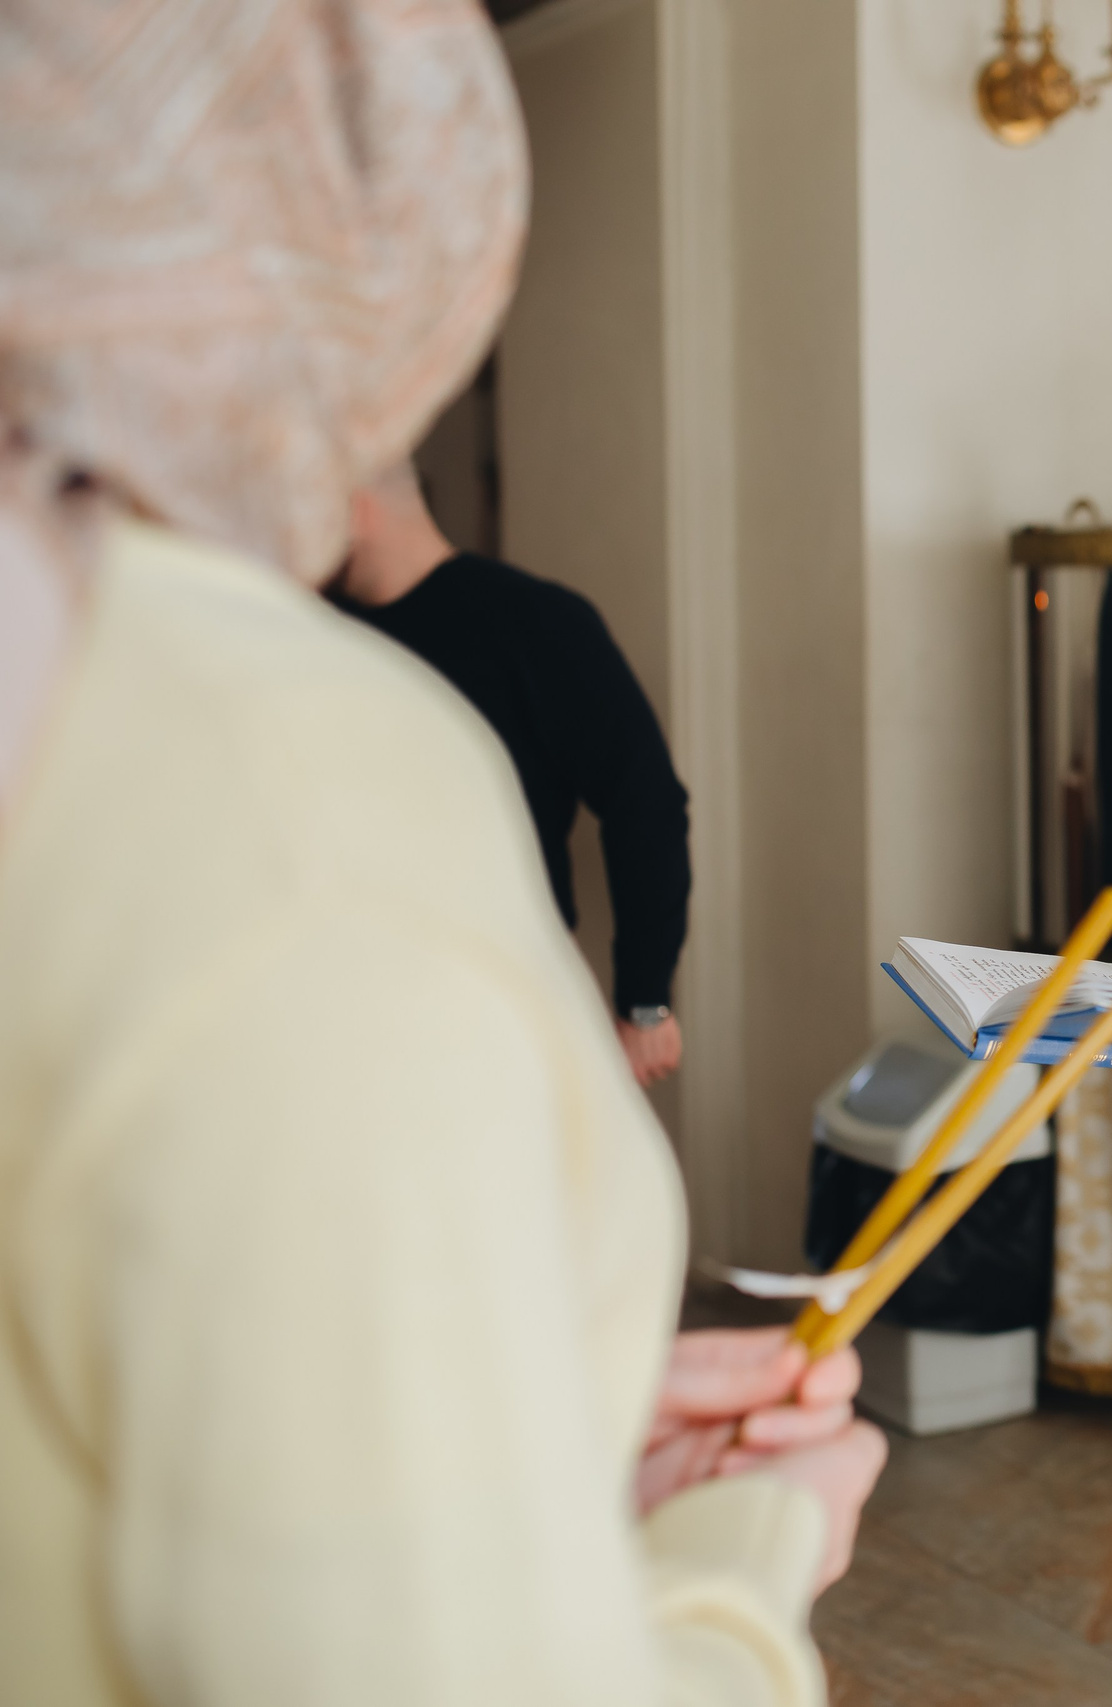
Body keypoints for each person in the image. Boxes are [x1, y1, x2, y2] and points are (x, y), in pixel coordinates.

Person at [0, 4, 882, 1703]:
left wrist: (639, 996)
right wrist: (742, 1558)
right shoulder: (299, 783)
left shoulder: (483, 641)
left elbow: (646, 803)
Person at [335, 466, 693, 1087]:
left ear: (356, 504)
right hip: (351, 1006)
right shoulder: (308, 633)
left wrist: (645, 1003)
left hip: (505, 1009)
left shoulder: (538, 624)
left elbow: (646, 805)